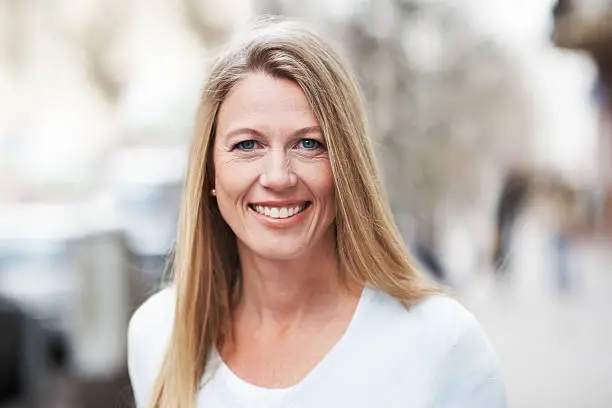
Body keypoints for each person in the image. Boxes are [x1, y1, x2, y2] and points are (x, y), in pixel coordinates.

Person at [127, 18, 507, 408]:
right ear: (209, 171)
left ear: (347, 167)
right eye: (247, 145)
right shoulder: (157, 335)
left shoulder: (441, 344)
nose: (277, 176)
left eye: (309, 143)